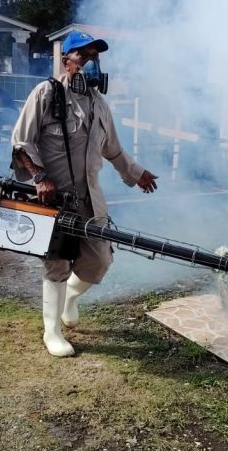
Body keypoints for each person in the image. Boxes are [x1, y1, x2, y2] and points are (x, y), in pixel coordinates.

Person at [11, 30, 158, 357]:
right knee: (57, 263)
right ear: (67, 61)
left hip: (91, 198)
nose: (91, 63)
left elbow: (114, 151)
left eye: (95, 57)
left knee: (100, 260)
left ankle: (71, 299)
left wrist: (137, 173)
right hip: (56, 198)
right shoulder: (46, 94)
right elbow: (22, 142)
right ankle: (52, 332)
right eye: (84, 56)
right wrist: (39, 177)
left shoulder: (100, 105)